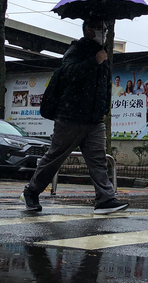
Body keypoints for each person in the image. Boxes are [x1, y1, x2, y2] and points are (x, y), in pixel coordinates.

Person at [21, 19, 128, 215]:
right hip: (71, 117)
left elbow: (105, 85)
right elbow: (69, 73)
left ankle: (105, 198)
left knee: (98, 160)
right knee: (55, 157)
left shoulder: (103, 54)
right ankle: (31, 192)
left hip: (94, 120)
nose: (102, 31)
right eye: (99, 28)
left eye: (104, 28)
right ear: (88, 30)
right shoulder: (76, 50)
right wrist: (93, 61)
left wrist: (103, 109)